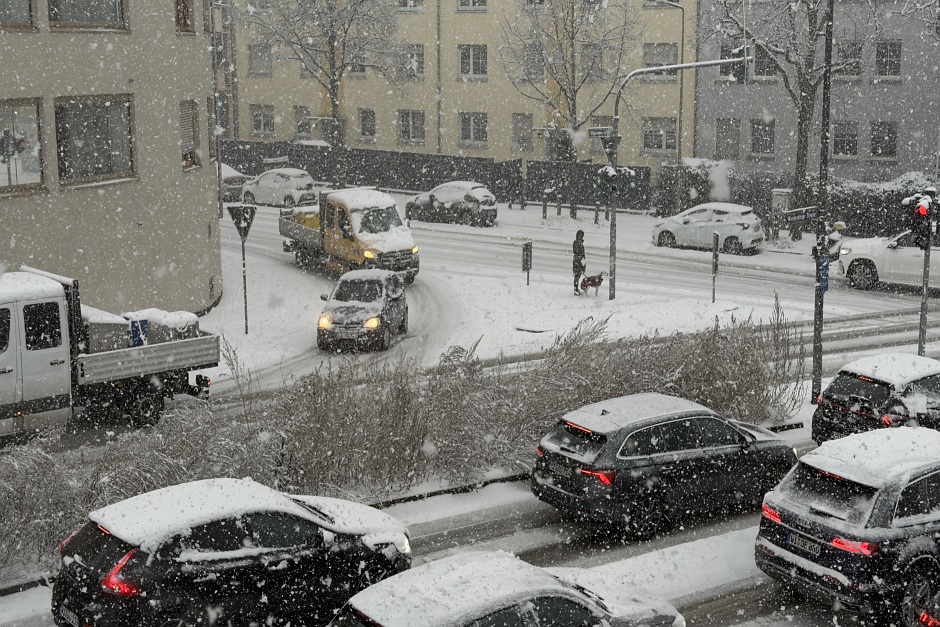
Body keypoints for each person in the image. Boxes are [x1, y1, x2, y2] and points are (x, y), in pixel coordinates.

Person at [572, 229, 586, 295]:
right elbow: (580, 253)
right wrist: (582, 265)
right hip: (578, 261)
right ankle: (576, 290)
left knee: (577, 276)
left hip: (576, 260)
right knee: (577, 276)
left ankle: (576, 289)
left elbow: (575, 251)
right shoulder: (579, 243)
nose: (583, 237)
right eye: (582, 236)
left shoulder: (576, 242)